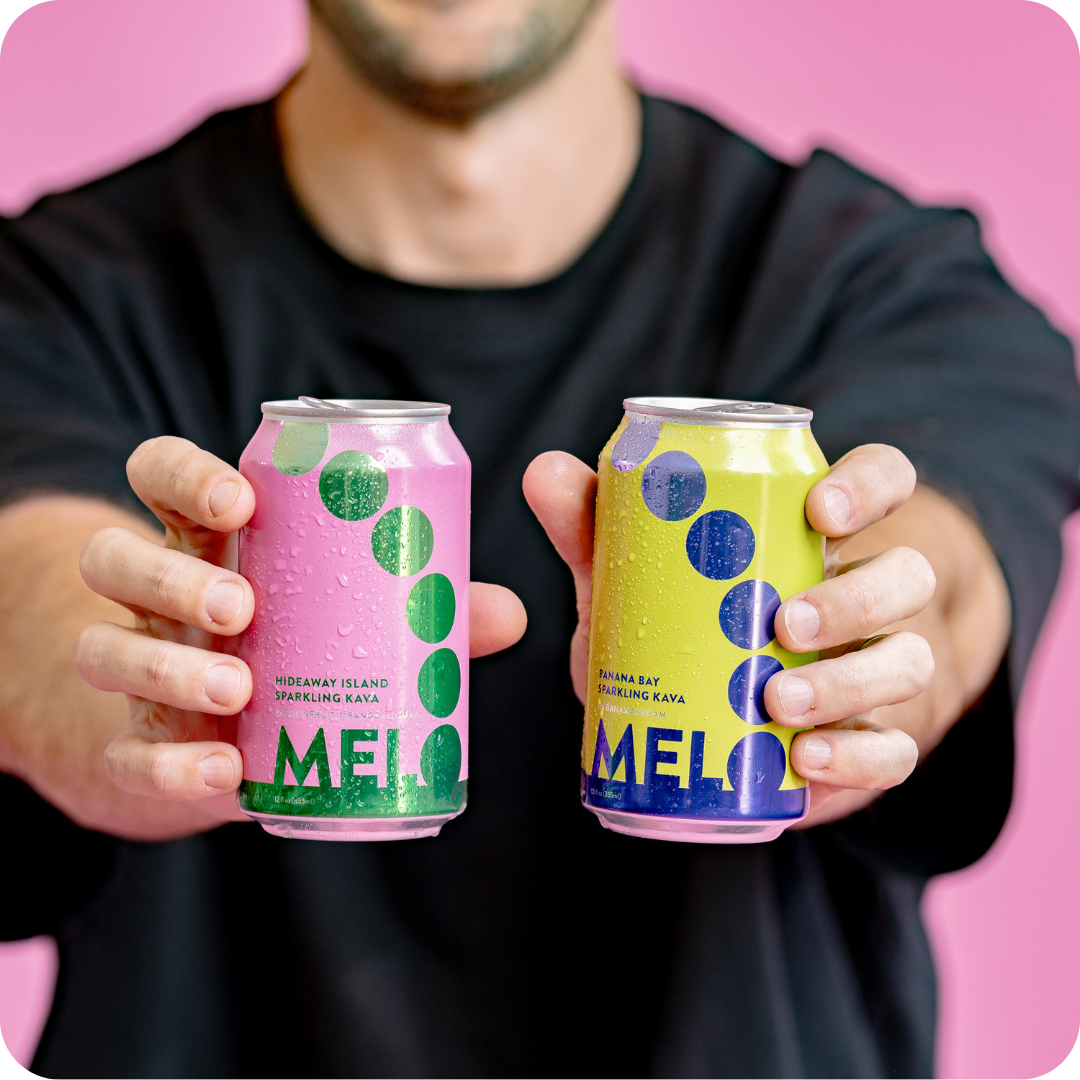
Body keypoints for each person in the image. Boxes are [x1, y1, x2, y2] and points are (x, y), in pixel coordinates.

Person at [0, 1, 1077, 1077]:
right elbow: (26, 584)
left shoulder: (890, 287)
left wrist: (856, 652)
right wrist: (132, 680)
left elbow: (945, 570)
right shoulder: (48, 292)